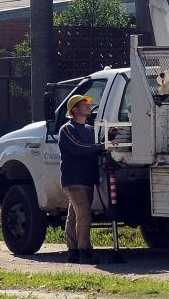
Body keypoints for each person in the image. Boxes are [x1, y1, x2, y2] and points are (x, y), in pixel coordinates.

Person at [59, 94, 104, 263]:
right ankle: (84, 251)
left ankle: (72, 252)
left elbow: (94, 147)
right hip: (74, 180)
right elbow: (78, 148)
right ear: (75, 109)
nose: (88, 106)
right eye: (84, 104)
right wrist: (100, 146)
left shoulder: (90, 129)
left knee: (74, 216)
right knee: (84, 215)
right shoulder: (67, 129)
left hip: (87, 179)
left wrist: (110, 138)